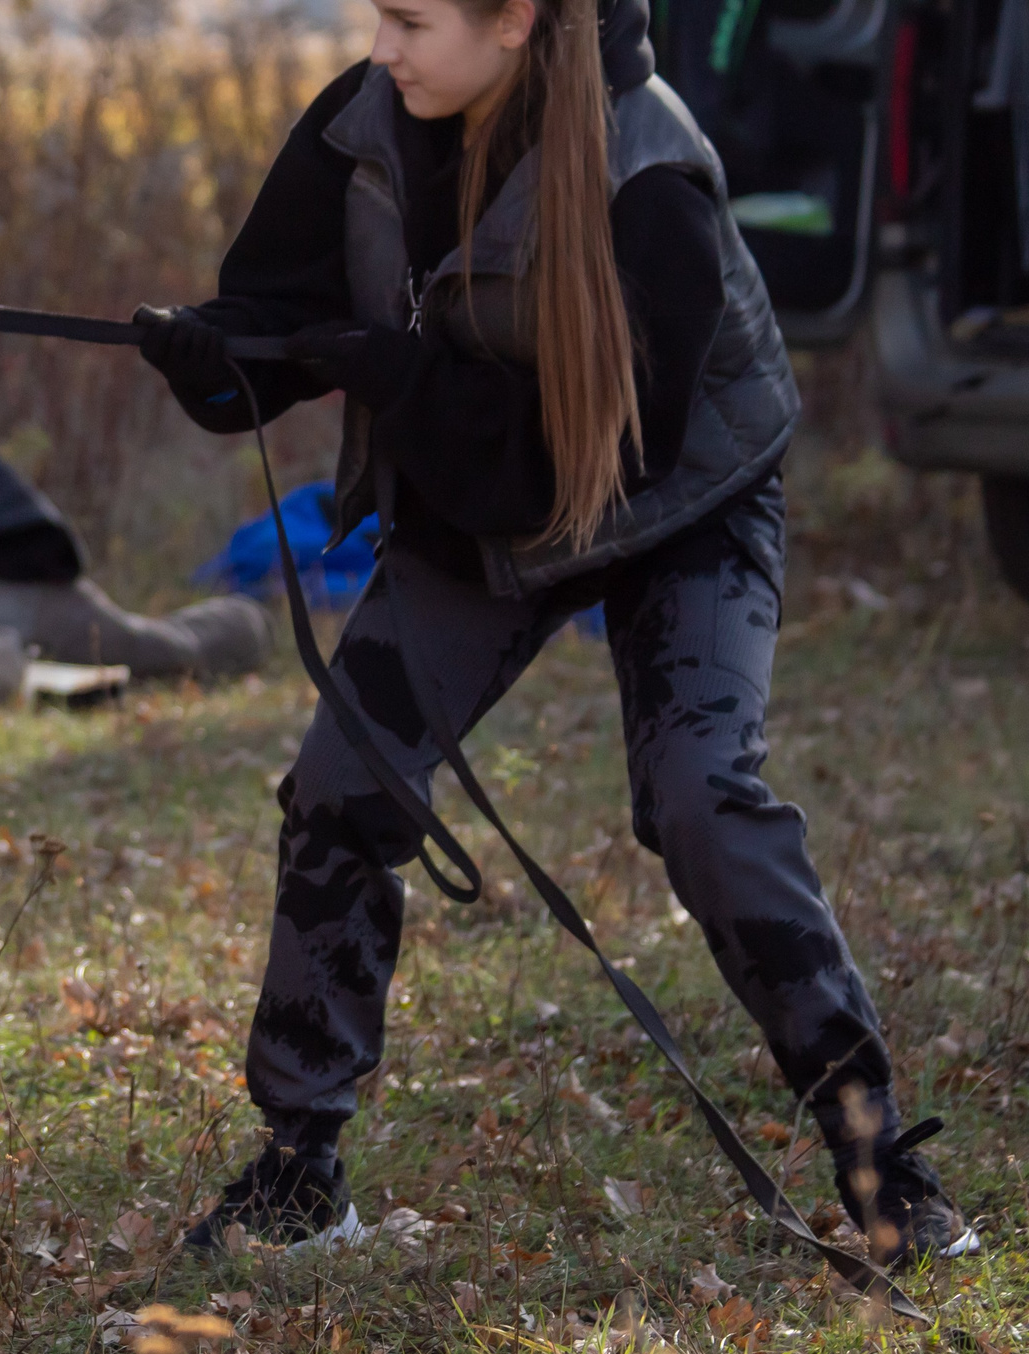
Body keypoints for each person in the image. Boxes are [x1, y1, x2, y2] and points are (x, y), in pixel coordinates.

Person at [131, 0, 970, 1265]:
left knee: (698, 798)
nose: (382, 48)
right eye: (377, 14)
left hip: (672, 497)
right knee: (343, 785)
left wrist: (394, 374)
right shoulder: (365, 124)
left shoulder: (650, 179)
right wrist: (211, 356)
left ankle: (878, 1160)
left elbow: (567, 470)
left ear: (517, 19)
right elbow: (277, 322)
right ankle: (300, 1176)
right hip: (474, 485)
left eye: (411, 20)